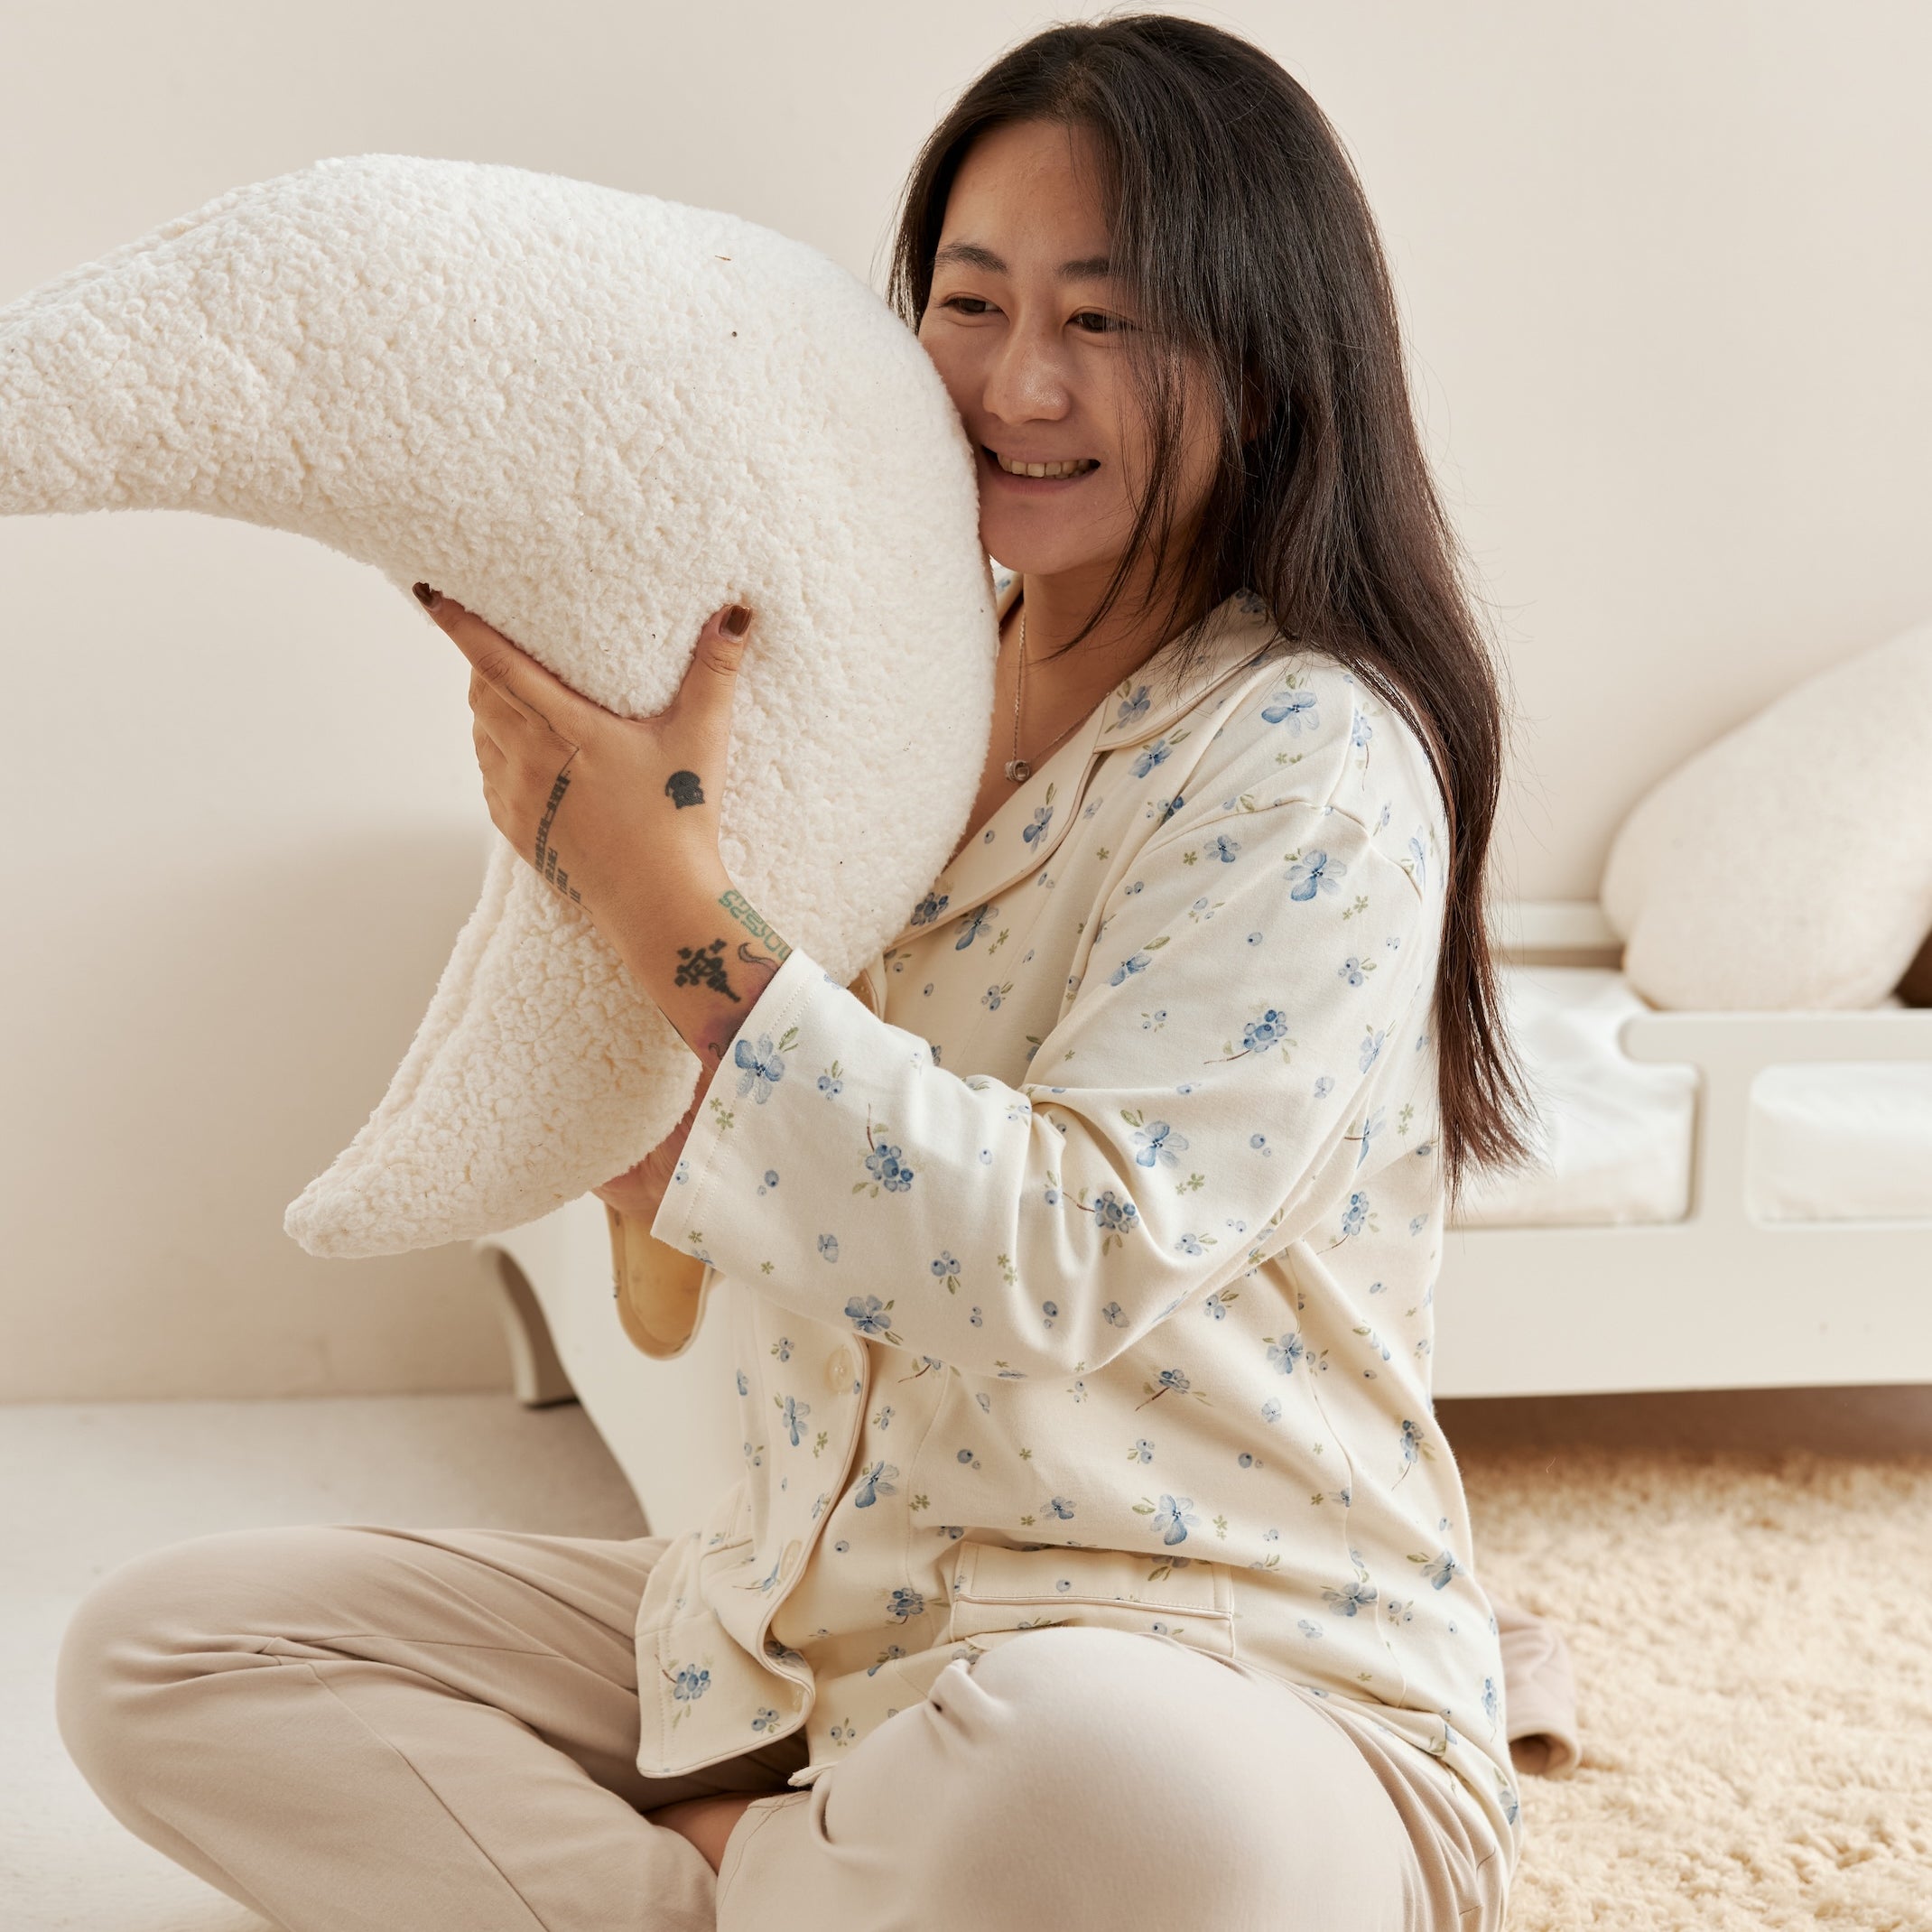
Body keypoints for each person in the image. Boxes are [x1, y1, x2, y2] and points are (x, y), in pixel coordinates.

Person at [54, 15, 1547, 1930]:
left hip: (1214, 1670)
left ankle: (739, 1875)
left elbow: (1058, 1250)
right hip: (797, 1643)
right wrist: (582, 884)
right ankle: (772, 1882)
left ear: (1259, 365)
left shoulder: (1312, 759)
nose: (1016, 380)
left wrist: (672, 904)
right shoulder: (877, 701)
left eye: (1104, 320)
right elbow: (683, 1295)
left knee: (1093, 1778)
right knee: (163, 1651)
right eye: (969, 297)